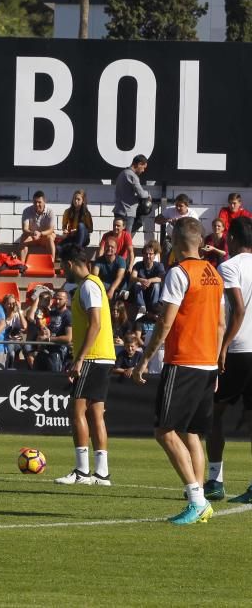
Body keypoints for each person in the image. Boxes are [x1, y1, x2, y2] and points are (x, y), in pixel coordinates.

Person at [131, 217, 224, 525]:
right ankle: (198, 501)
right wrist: (216, 362)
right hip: (207, 363)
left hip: (184, 361)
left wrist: (144, 359)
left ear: (179, 241)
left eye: (170, 238)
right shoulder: (213, 272)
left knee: (164, 431)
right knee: (192, 433)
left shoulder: (179, 273)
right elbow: (221, 324)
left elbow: (165, 322)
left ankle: (196, 500)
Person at [54, 244, 116, 487]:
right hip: (103, 356)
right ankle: (102, 473)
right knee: (95, 413)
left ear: (70, 264)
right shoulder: (93, 284)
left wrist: (78, 359)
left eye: (62, 266)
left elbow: (95, 324)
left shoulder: (88, 286)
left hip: (93, 357)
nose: (62, 271)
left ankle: (82, 471)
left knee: (76, 410)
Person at [206, 217, 252, 504]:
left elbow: (236, 310)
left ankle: (215, 480)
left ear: (232, 239)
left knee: (213, 413)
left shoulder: (229, 266)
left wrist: (222, 348)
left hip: (237, 351)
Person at [113, 154, 150, 235]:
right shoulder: (132, 175)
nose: (143, 171)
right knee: (126, 237)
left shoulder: (123, 173)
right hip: (127, 212)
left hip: (119, 210)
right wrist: (148, 194)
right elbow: (141, 194)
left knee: (118, 236)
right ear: (139, 164)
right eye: (143, 167)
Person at [18, 191, 57, 266]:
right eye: (35, 202)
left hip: (45, 236)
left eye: (39, 202)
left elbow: (51, 229)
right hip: (32, 236)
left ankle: (52, 264)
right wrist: (33, 233)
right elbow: (25, 229)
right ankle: (21, 265)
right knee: (23, 237)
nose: (37, 204)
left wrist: (40, 234)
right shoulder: (27, 211)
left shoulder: (50, 212)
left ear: (44, 201)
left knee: (50, 237)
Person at [128, 241, 165, 315]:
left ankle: (153, 308)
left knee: (156, 285)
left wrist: (150, 280)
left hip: (153, 290)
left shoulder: (159, 265)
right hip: (142, 290)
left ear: (154, 255)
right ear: (143, 255)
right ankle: (141, 307)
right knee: (137, 284)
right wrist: (140, 280)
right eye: (146, 254)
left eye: (150, 254)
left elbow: (161, 278)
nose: (148, 256)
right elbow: (132, 277)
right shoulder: (138, 265)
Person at [92, 236, 127, 301]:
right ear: (104, 247)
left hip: (117, 284)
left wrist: (112, 289)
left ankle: (121, 292)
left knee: (124, 283)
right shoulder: (99, 260)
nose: (109, 248)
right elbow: (94, 275)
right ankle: (120, 293)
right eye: (107, 246)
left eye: (112, 247)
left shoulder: (121, 260)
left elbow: (120, 277)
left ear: (116, 250)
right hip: (104, 284)